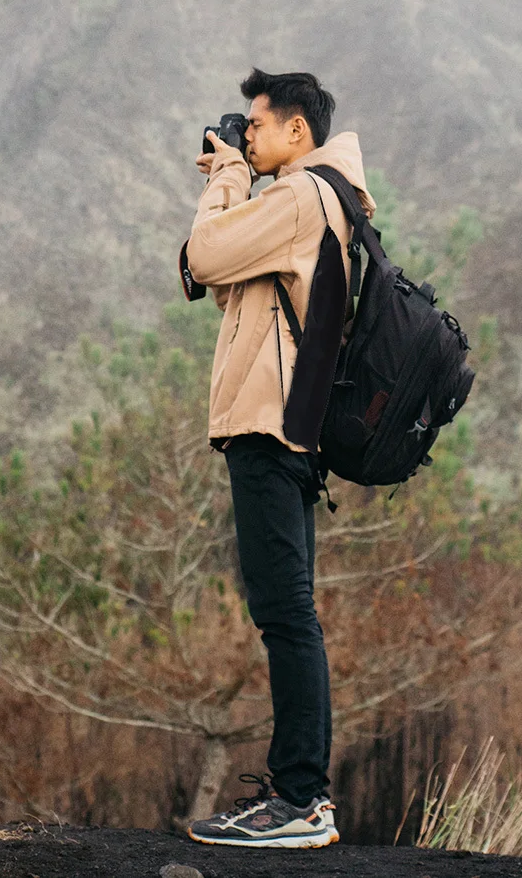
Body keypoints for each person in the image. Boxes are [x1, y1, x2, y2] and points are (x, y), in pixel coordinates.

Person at [179, 69, 376, 848]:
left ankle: (299, 800)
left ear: (298, 130)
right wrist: (234, 178)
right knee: (292, 613)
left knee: (286, 615)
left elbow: (204, 250)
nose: (248, 140)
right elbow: (220, 283)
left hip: (269, 425)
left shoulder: (299, 196)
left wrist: (227, 173)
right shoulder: (324, 202)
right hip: (294, 424)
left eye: (257, 129)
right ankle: (304, 798)